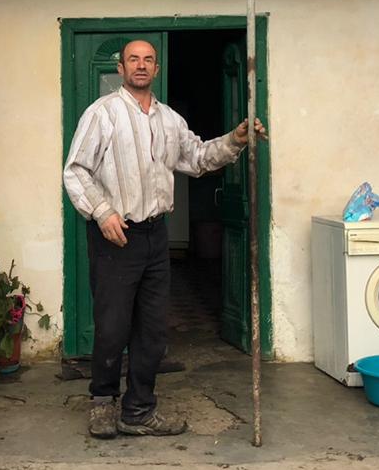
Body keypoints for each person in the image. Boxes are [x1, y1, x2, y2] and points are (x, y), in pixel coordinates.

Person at [63, 39, 267, 439]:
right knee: (112, 327)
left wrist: (235, 140)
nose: (141, 65)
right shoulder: (102, 113)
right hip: (116, 234)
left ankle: (138, 409)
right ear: (121, 68)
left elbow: (198, 158)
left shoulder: (170, 120)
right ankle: (103, 402)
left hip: (155, 235)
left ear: (156, 69)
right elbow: (76, 170)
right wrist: (102, 212)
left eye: (148, 60)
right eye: (133, 59)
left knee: (153, 330)